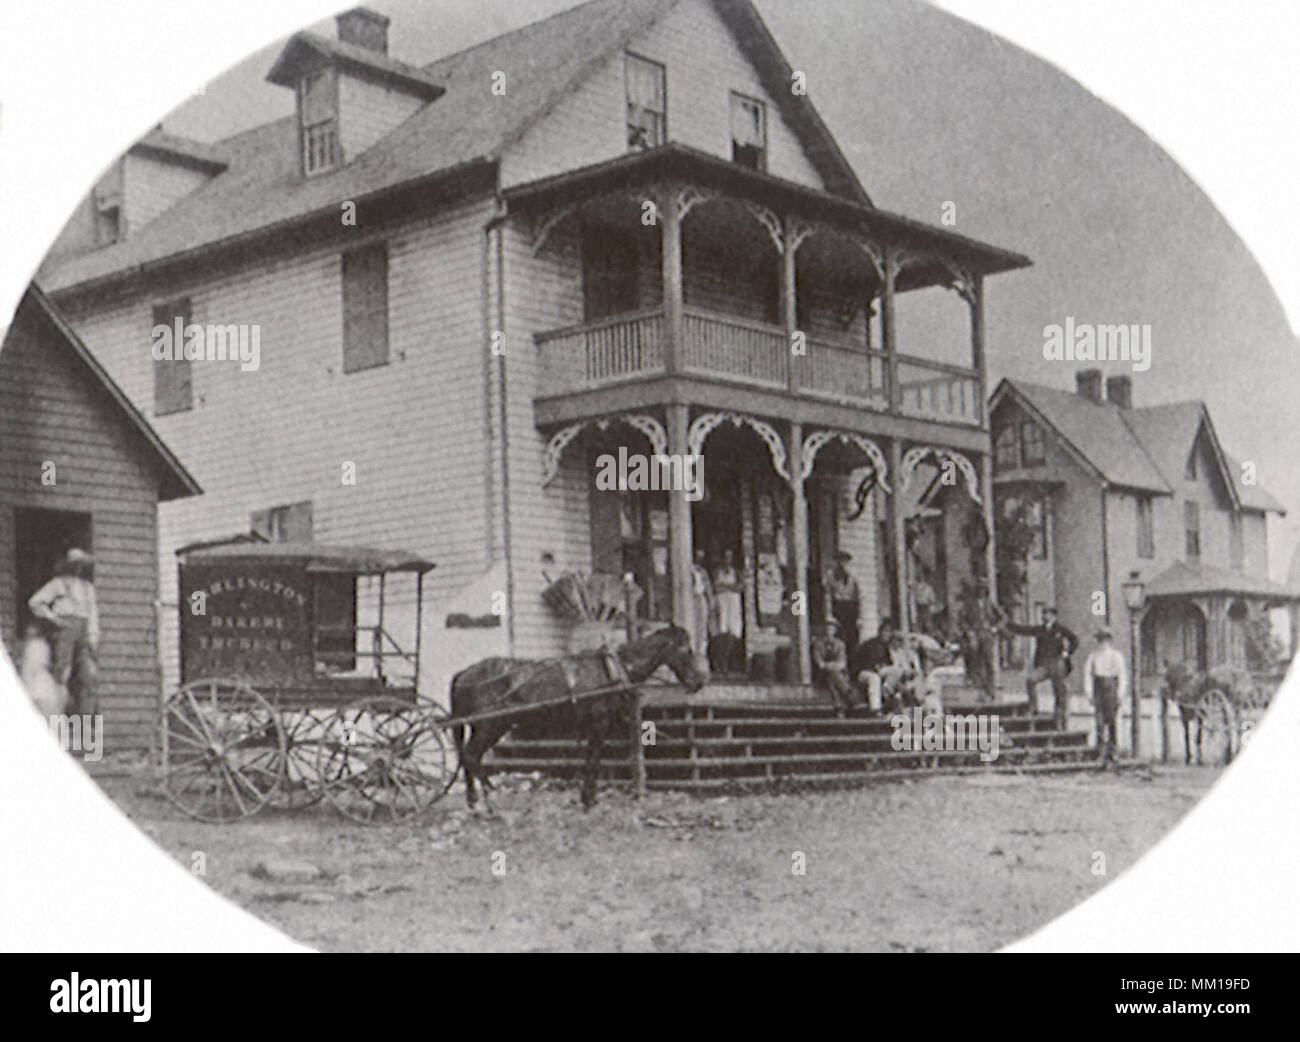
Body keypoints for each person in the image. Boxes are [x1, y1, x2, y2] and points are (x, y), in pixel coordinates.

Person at [28, 548, 99, 717]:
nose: (78, 569)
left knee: (87, 676)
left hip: (83, 633)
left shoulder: (88, 588)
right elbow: (35, 602)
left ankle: (85, 719)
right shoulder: (58, 584)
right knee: (63, 674)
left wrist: (93, 635)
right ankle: (58, 716)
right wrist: (54, 617)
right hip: (65, 631)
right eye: (75, 565)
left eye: (81, 565)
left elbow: (93, 614)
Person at [1007, 606, 1078, 729]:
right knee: (1031, 679)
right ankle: (1033, 707)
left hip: (1057, 664)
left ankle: (1060, 721)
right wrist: (1008, 625)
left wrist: (1067, 653)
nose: (1045, 616)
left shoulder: (1060, 629)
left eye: (1048, 614)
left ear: (1054, 616)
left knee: (1060, 693)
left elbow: (1075, 639)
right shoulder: (1040, 629)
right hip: (1044, 665)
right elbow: (1025, 630)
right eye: (1044, 614)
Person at [1083, 628, 1126, 767]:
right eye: (1101, 639)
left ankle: (1113, 751)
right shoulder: (1093, 656)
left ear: (1110, 640)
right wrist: (1089, 692)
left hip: (1111, 689)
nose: (1103, 642)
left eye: (1106, 639)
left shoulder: (1116, 656)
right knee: (1099, 721)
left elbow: (1122, 676)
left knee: (1112, 721)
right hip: (1099, 688)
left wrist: (1120, 694)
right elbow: (1088, 675)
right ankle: (1100, 750)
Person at [959, 577, 1006, 700]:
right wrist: (969, 631)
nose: (981, 591)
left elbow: (1003, 618)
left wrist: (995, 628)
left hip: (987, 635)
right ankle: (979, 689)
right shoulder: (969, 604)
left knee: (989, 662)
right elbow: (962, 619)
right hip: (974, 634)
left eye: (984, 589)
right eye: (979, 588)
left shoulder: (989, 603)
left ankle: (991, 689)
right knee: (976, 661)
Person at [851, 618, 896, 714]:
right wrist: (876, 667)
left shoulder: (886, 646)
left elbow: (889, 663)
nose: (887, 634)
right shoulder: (870, 644)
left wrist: (884, 666)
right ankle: (876, 709)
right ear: (880, 632)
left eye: (889, 633)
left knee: (896, 670)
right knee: (874, 678)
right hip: (864, 672)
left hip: (878, 671)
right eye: (885, 632)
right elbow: (862, 662)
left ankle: (887, 688)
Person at [811, 621, 853, 716]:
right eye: (827, 629)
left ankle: (839, 708)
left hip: (837, 674)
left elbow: (842, 662)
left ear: (835, 631)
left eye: (831, 629)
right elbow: (820, 663)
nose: (829, 632)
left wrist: (831, 666)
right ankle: (847, 692)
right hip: (822, 675)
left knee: (832, 680)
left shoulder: (840, 644)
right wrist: (832, 666)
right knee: (833, 675)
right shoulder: (817, 644)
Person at [825, 551, 862, 649]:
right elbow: (827, 597)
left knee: (852, 639)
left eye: (845, 562)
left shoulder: (853, 577)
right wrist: (829, 614)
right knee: (839, 638)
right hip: (838, 609)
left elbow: (860, 598)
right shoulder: (830, 577)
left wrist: (860, 617)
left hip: (851, 609)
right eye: (839, 562)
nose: (842, 564)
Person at [689, 549, 714, 672]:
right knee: (692, 625)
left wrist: (711, 601)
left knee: (702, 626)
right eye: (697, 556)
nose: (699, 559)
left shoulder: (702, 571)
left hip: (700, 597)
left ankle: (701, 654)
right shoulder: (688, 569)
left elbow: (707, 587)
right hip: (690, 598)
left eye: (701, 557)